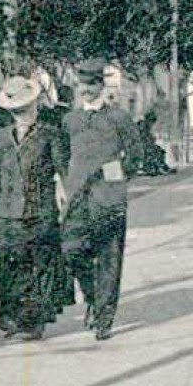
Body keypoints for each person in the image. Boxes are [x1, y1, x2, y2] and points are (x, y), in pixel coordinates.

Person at [0, 76, 74, 341]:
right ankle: (12, 318)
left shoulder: (50, 135)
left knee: (38, 267)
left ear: (35, 105)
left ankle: (32, 322)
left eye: (25, 108)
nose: (22, 115)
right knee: (7, 267)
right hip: (8, 213)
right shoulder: (1, 138)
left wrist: (70, 202)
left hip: (40, 212)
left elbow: (64, 172)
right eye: (16, 111)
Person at [62, 60, 141, 341]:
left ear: (101, 85)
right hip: (77, 201)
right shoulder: (70, 120)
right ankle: (94, 299)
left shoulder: (118, 118)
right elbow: (61, 159)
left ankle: (104, 317)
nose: (86, 89)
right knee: (72, 252)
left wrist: (108, 174)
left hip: (109, 199)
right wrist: (68, 184)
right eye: (82, 84)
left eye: (91, 84)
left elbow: (135, 157)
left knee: (109, 258)